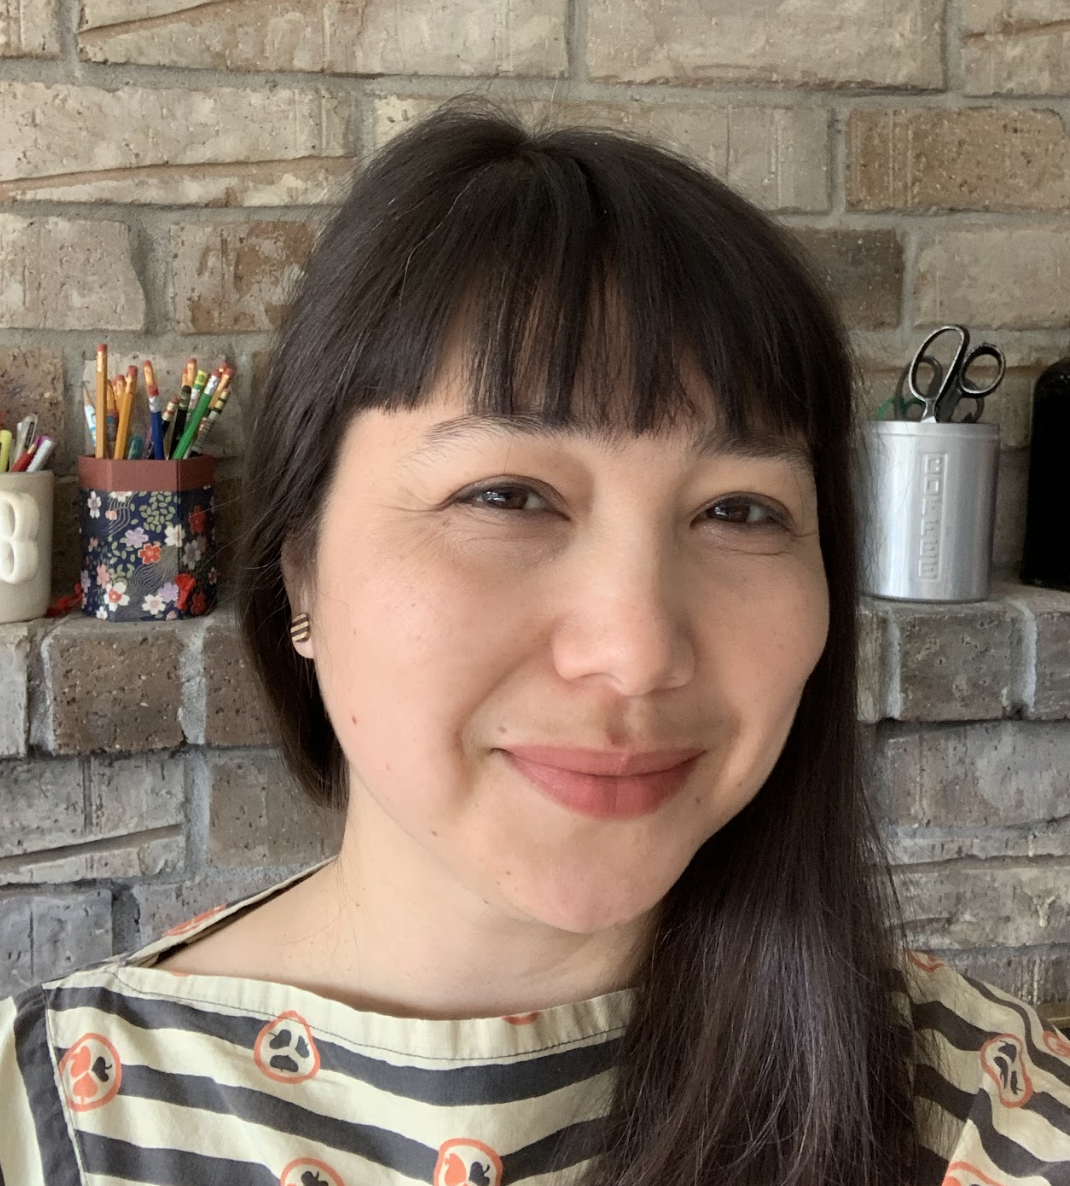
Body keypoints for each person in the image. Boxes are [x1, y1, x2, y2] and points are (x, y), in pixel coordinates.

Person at [1, 102, 1068, 1186]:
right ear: (303, 571)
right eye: (506, 495)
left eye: (739, 510)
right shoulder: (49, 1124)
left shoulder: (983, 1111)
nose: (635, 652)